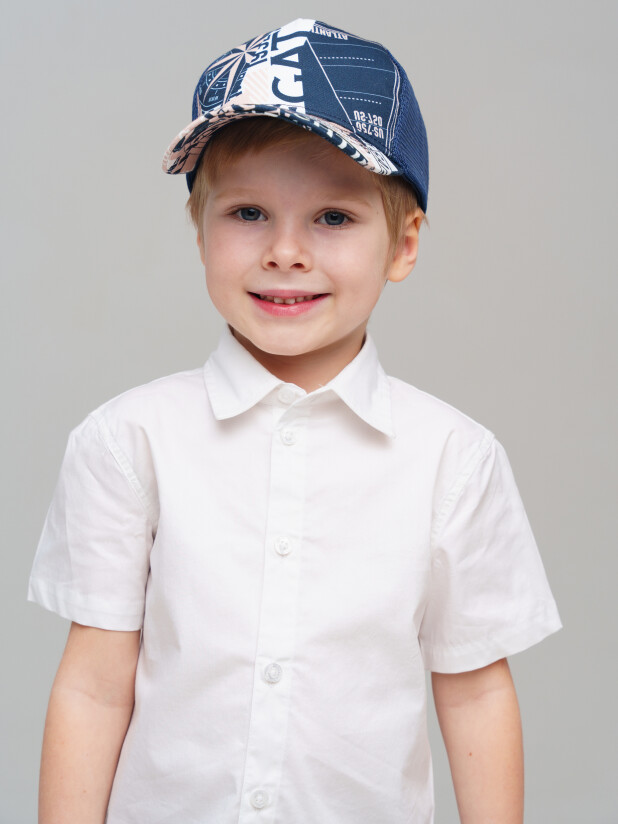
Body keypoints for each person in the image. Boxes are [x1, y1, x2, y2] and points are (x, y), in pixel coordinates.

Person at [28, 18, 561, 824]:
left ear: (403, 244)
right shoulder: (128, 442)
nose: (285, 251)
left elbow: (476, 691)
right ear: (199, 230)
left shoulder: (454, 459)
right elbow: (95, 687)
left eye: (333, 218)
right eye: (247, 212)